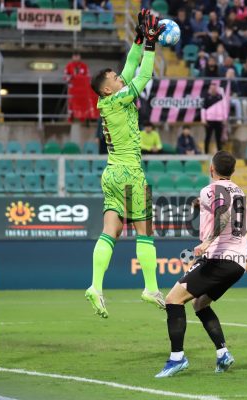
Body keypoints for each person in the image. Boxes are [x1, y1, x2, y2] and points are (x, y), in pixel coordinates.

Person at [85, 10, 165, 318]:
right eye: (116, 79)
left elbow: (130, 67)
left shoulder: (107, 100)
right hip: (130, 173)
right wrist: (151, 45)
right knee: (145, 232)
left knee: (111, 231)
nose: (121, 77)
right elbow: (143, 76)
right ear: (108, 88)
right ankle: (150, 288)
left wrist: (138, 38)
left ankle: (95, 286)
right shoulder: (119, 99)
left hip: (110, 174)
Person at [155, 151, 247, 377]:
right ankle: (223, 353)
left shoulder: (210, 189)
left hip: (219, 258)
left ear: (211, 168)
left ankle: (177, 358)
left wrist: (207, 242)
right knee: (200, 304)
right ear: (233, 171)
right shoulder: (239, 191)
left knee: (173, 300)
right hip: (238, 263)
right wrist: (203, 206)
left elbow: (223, 215)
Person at [201, 83, 228, 154]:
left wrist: (225, 118)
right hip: (209, 120)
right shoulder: (206, 97)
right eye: (211, 88)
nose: (213, 90)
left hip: (218, 120)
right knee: (208, 137)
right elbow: (203, 109)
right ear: (210, 89)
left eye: (214, 88)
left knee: (218, 138)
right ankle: (206, 152)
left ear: (216, 89)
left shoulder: (220, 97)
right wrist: (203, 119)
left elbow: (224, 108)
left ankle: (220, 154)